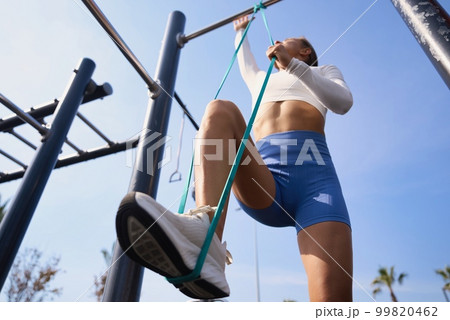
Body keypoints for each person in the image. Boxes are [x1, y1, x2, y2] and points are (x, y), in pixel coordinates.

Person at [116, 15, 354, 302]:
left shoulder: (323, 71)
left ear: (306, 51)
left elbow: (343, 102)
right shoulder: (261, 79)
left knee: (332, 302)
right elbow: (246, 60)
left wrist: (292, 65)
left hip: (316, 187)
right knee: (220, 109)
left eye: (287, 40)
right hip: (264, 178)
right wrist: (241, 29)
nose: (278, 41)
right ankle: (208, 243)